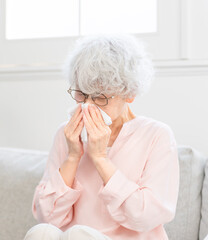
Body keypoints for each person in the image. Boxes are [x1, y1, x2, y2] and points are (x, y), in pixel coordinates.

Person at [24, 34, 180, 240]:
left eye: (99, 97)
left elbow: (147, 217)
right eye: (81, 94)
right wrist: (72, 156)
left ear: (130, 93)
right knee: (40, 233)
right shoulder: (67, 135)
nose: (87, 106)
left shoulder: (156, 135)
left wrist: (100, 159)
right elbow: (48, 218)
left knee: (79, 235)